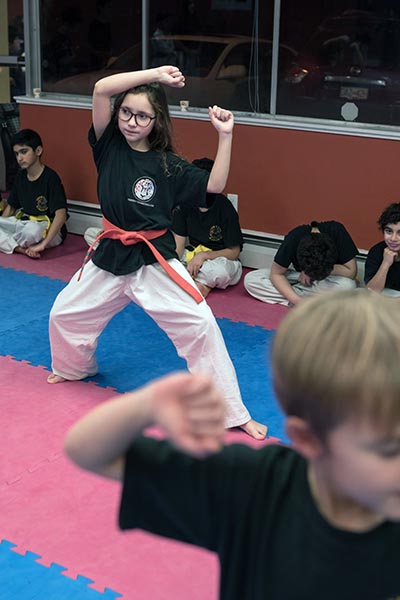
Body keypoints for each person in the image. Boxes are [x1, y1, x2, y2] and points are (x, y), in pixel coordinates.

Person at [64, 289, 400, 600]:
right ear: (309, 439)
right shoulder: (254, 488)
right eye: (390, 450)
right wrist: (148, 404)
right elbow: (88, 451)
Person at [47, 65, 266, 440]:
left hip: (154, 259)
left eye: (142, 116)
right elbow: (101, 89)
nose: (131, 122)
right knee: (64, 314)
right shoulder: (108, 145)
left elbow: (214, 185)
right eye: (126, 112)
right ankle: (74, 369)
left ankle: (230, 412)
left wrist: (226, 136)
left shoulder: (169, 165)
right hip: (110, 254)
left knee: (201, 324)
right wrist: (155, 75)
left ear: (156, 120)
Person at [172, 157, 243, 298]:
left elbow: (234, 252)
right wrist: (172, 266)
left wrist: (204, 256)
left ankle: (197, 283)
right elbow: (178, 247)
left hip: (219, 259)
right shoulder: (184, 205)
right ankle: (199, 283)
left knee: (220, 272)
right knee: (164, 264)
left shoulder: (224, 208)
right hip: (192, 257)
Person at [244, 220, 358, 306]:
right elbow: (276, 274)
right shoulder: (293, 239)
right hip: (297, 276)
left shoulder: (336, 230)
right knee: (251, 280)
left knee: (348, 286)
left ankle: (292, 292)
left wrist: (317, 271)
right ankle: (314, 299)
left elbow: (351, 272)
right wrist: (297, 301)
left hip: (327, 278)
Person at [0, 129, 67, 258]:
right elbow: (11, 207)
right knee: (27, 230)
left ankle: (13, 243)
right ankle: (20, 248)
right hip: (24, 223)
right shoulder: (20, 177)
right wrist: (4, 224)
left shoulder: (50, 178)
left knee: (31, 231)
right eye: (16, 154)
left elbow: (61, 215)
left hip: (47, 228)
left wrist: (44, 244)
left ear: (38, 151)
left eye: (24, 152)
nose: (19, 158)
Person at [364, 202, 400, 296]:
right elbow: (371, 291)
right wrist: (386, 263)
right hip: (384, 297)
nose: (393, 238)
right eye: (389, 231)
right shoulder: (376, 251)